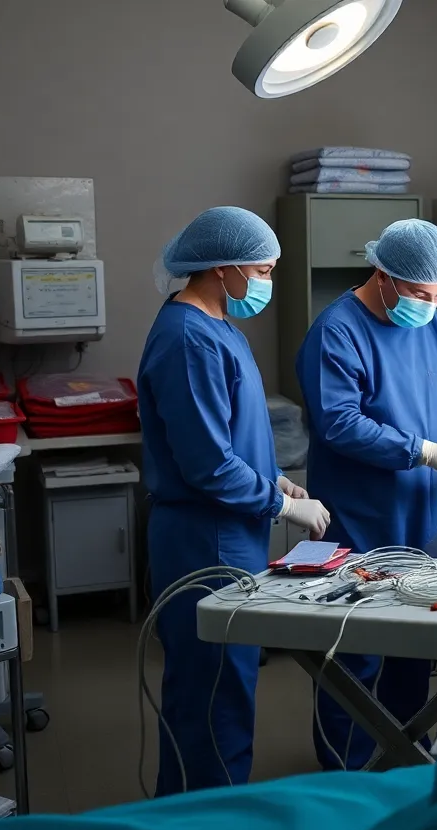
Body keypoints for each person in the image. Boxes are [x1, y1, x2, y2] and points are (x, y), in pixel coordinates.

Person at [138, 206, 331, 796]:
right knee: (212, 697)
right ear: (222, 270)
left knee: (229, 683)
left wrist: (275, 480)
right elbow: (206, 465)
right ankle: (207, 815)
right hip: (206, 539)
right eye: (263, 269)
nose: (267, 282)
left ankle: (211, 806)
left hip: (228, 531)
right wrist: (281, 508)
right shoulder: (188, 339)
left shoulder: (219, 326)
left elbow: (231, 435)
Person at [296, 218, 437, 770]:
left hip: (422, 518)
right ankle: (347, 774)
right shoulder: (336, 330)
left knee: (414, 648)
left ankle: (406, 762)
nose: (430, 306)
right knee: (352, 653)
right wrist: (428, 452)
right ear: (382, 275)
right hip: (358, 518)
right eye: (420, 294)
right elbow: (339, 422)